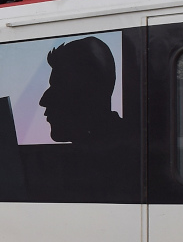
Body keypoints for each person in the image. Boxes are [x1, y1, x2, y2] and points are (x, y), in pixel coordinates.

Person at [22, 36, 137, 202]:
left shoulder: (118, 164)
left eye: (59, 87)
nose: (43, 100)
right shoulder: (106, 152)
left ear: (88, 94)